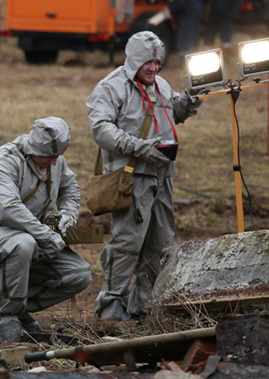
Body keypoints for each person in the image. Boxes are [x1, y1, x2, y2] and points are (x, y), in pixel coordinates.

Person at [86, 31, 201, 321]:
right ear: (134, 59)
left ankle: (142, 304)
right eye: (147, 62)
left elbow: (172, 111)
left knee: (160, 244)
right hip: (131, 177)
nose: (153, 68)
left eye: (157, 62)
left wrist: (189, 102)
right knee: (128, 242)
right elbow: (100, 128)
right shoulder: (111, 88)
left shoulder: (160, 84)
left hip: (162, 176)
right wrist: (138, 147)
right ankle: (111, 303)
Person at [0, 117, 92, 342]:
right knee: (23, 244)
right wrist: (45, 235)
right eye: (50, 156)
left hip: (33, 235)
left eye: (58, 156)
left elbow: (70, 188)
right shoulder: (2, 162)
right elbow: (8, 210)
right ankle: (5, 318)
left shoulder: (55, 161)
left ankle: (11, 305)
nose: (55, 162)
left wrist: (68, 215)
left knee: (78, 274)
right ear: (33, 149)